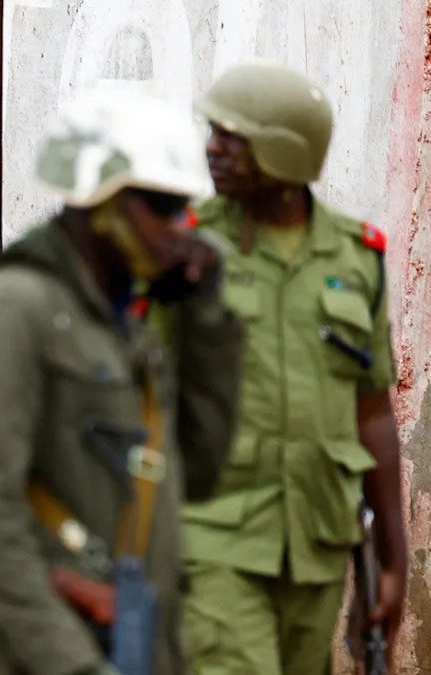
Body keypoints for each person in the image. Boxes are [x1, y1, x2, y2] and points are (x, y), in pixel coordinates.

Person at [0, 91, 244, 675]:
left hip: (132, 646)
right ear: (102, 204)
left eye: (183, 209)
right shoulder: (15, 309)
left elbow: (200, 472)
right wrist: (77, 665)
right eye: (162, 206)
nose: (180, 228)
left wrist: (204, 315)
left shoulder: (126, 330)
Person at [181, 62, 407, 675]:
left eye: (231, 138)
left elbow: (372, 412)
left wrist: (393, 560)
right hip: (213, 536)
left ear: (282, 151)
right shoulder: (186, 252)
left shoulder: (356, 260)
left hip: (317, 544)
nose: (212, 148)